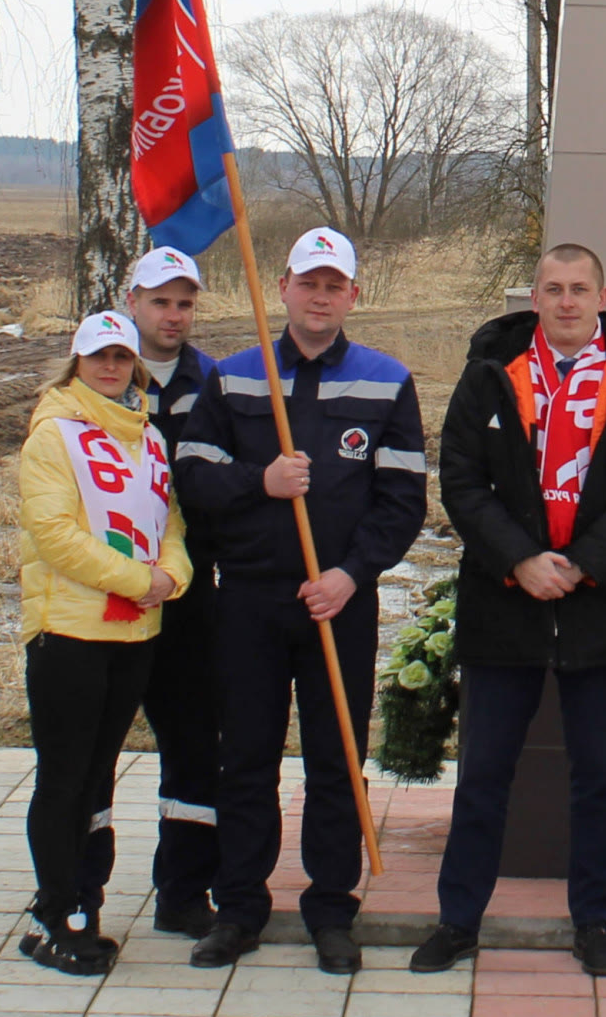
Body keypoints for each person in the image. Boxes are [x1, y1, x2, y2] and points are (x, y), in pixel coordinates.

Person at [413, 244, 606, 979]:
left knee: (598, 777)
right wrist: (520, 562)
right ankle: (458, 919)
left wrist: (587, 563)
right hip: (507, 604)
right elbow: (462, 483)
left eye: (579, 289)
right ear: (532, 297)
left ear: (604, 295)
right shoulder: (489, 376)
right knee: (483, 775)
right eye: (552, 289)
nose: (566, 302)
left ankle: (595, 920)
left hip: (604, 605)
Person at [175, 227, 426, 975]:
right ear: (281, 286)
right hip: (250, 601)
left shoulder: (387, 381)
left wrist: (352, 573)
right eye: (308, 282)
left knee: (335, 759)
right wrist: (262, 483)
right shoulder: (235, 378)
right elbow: (192, 477)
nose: (320, 297)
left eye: (334, 285)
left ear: (354, 295)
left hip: (338, 604)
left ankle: (330, 908)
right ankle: (241, 905)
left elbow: (403, 497)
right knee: (246, 755)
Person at [19, 311, 191, 975]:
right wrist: (138, 577)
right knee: (64, 778)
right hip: (69, 631)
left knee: (96, 775)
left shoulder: (147, 436)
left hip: (134, 631)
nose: (111, 367)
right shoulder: (53, 433)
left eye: (122, 357)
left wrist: (170, 577)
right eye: (99, 357)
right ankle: (58, 910)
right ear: (77, 361)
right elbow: (55, 535)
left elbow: (168, 520)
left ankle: (60, 909)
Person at [76, 246, 219, 939]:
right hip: (103, 598)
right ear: (131, 303)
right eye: (160, 301)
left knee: (194, 742)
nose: (172, 315)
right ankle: (78, 886)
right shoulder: (97, 388)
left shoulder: (217, 384)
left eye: (184, 302)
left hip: (187, 593)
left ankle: (184, 891)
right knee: (91, 748)